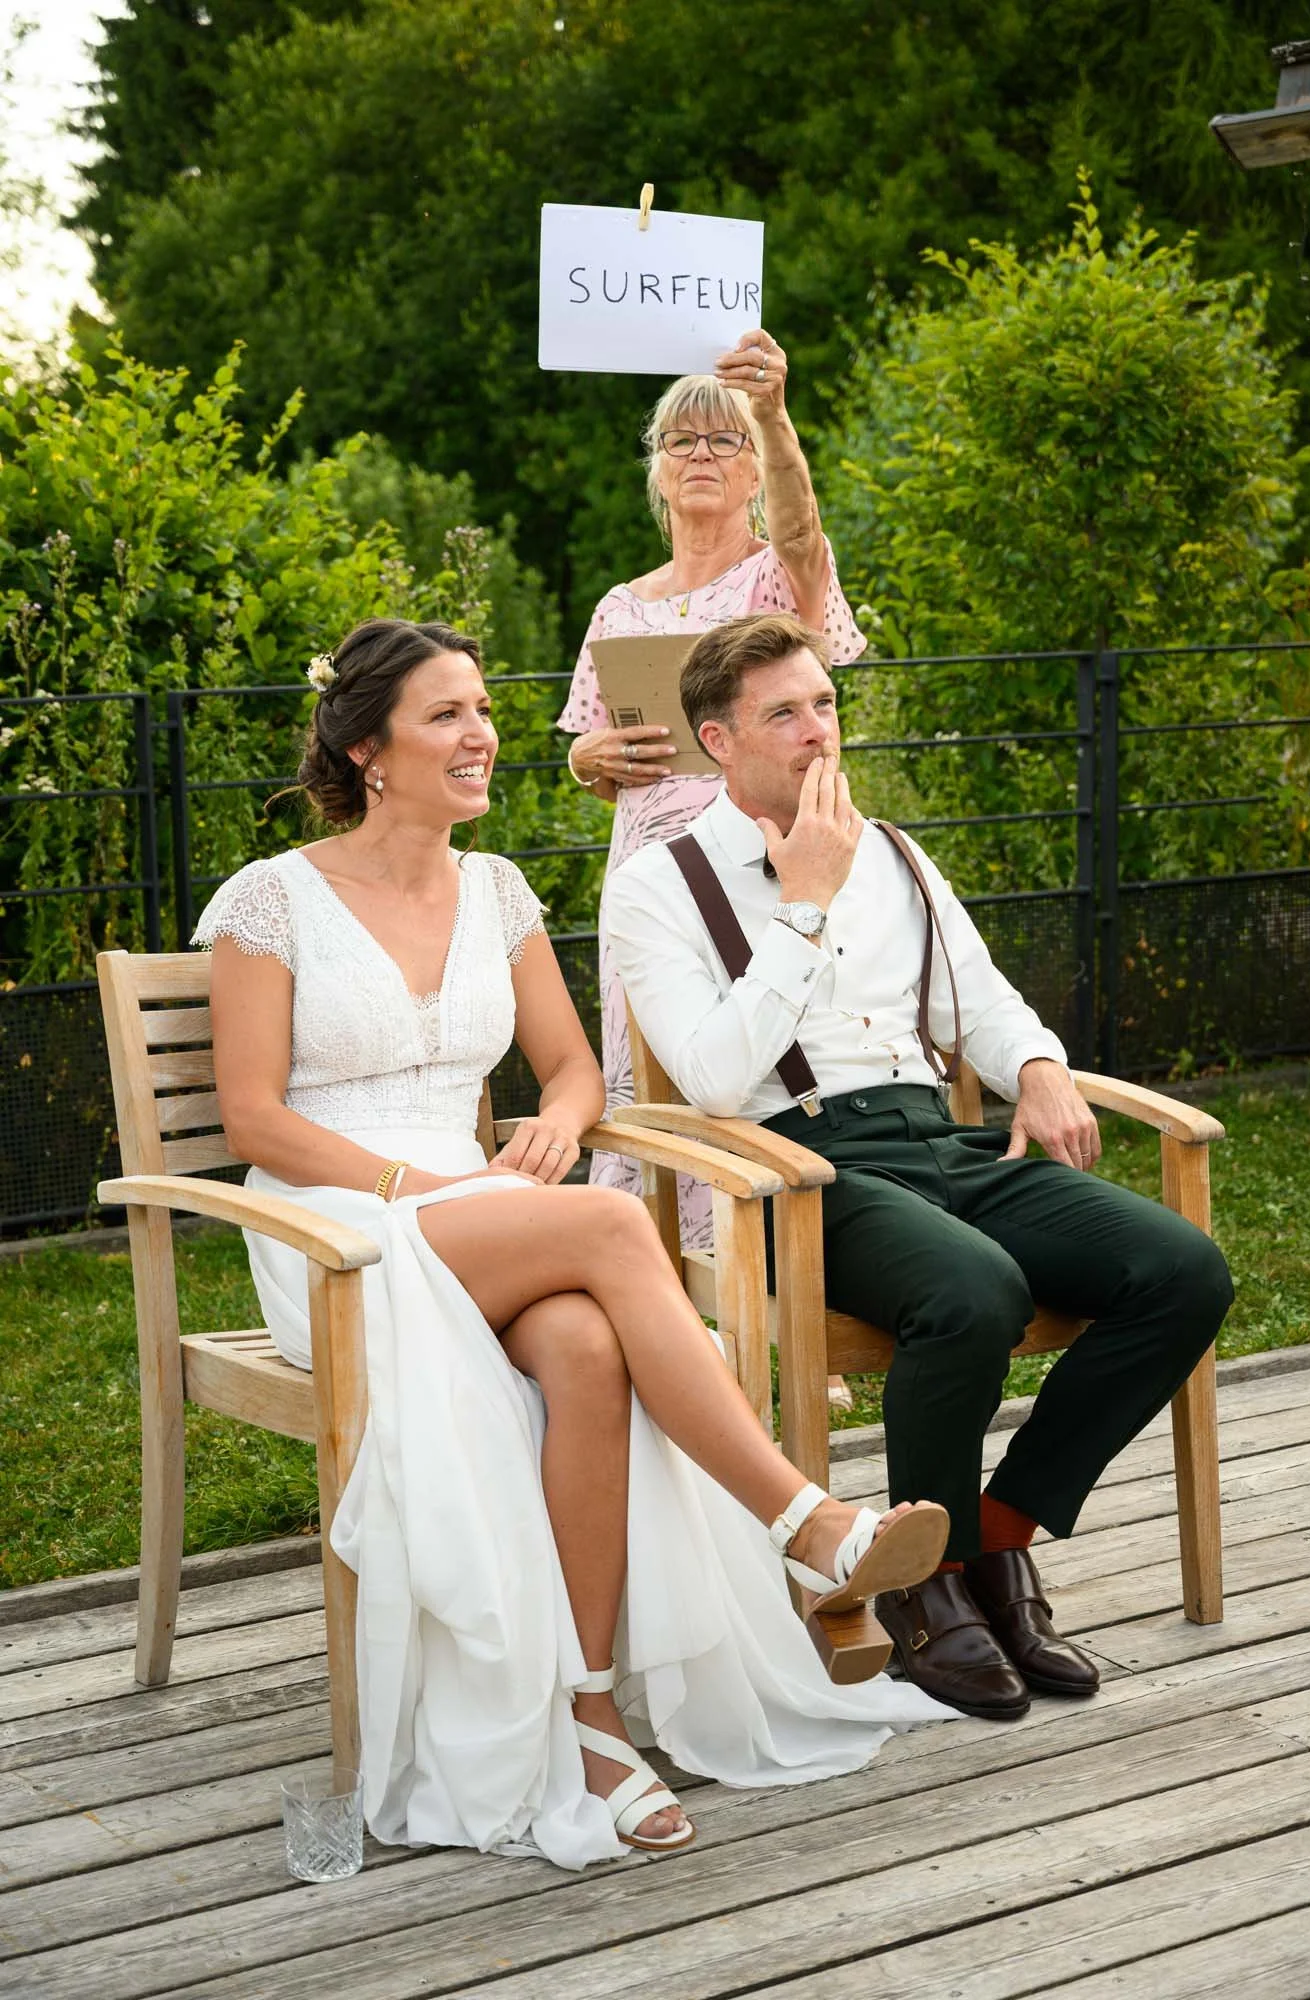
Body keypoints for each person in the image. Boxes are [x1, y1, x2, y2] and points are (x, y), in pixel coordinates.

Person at [192, 616, 955, 1873]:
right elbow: (254, 1117)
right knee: (607, 1219)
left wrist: (553, 1124)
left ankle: (593, 1715)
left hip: (482, 1211)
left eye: (485, 709)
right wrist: (410, 1181)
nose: (482, 734)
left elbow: (570, 1068)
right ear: (366, 746)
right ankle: (805, 1522)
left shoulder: (496, 890)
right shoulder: (271, 898)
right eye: (446, 714)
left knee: (589, 1347)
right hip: (336, 1221)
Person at [604, 612, 1235, 1723]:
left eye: (824, 703)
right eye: (784, 714)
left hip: (941, 1143)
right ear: (718, 741)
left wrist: (1036, 1065)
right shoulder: (660, 884)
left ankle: (994, 1535)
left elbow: (978, 1001)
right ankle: (925, 1585)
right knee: (972, 1288)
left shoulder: (894, 852)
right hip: (796, 1168)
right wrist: (801, 903)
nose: (819, 730)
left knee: (1182, 1270)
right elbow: (710, 1077)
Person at [560, 329, 865, 1269]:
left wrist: (771, 415)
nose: (700, 454)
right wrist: (586, 758)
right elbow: (589, 751)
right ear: (656, 468)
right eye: (680, 440)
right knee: (653, 1057)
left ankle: (776, 1268)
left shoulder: (775, 576)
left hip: (761, 856)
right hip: (647, 873)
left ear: (753, 471)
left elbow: (803, 534)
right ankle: (646, 1268)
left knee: (758, 1045)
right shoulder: (619, 605)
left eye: (721, 439)